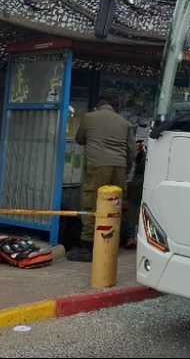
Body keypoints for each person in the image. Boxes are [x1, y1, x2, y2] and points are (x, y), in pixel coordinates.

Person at [67, 100, 135, 262]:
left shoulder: (89, 117)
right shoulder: (124, 123)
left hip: (97, 166)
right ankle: (111, 243)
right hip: (119, 167)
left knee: (91, 202)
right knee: (115, 205)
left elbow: (80, 138)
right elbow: (131, 151)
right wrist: (125, 169)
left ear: (97, 107)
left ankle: (88, 246)